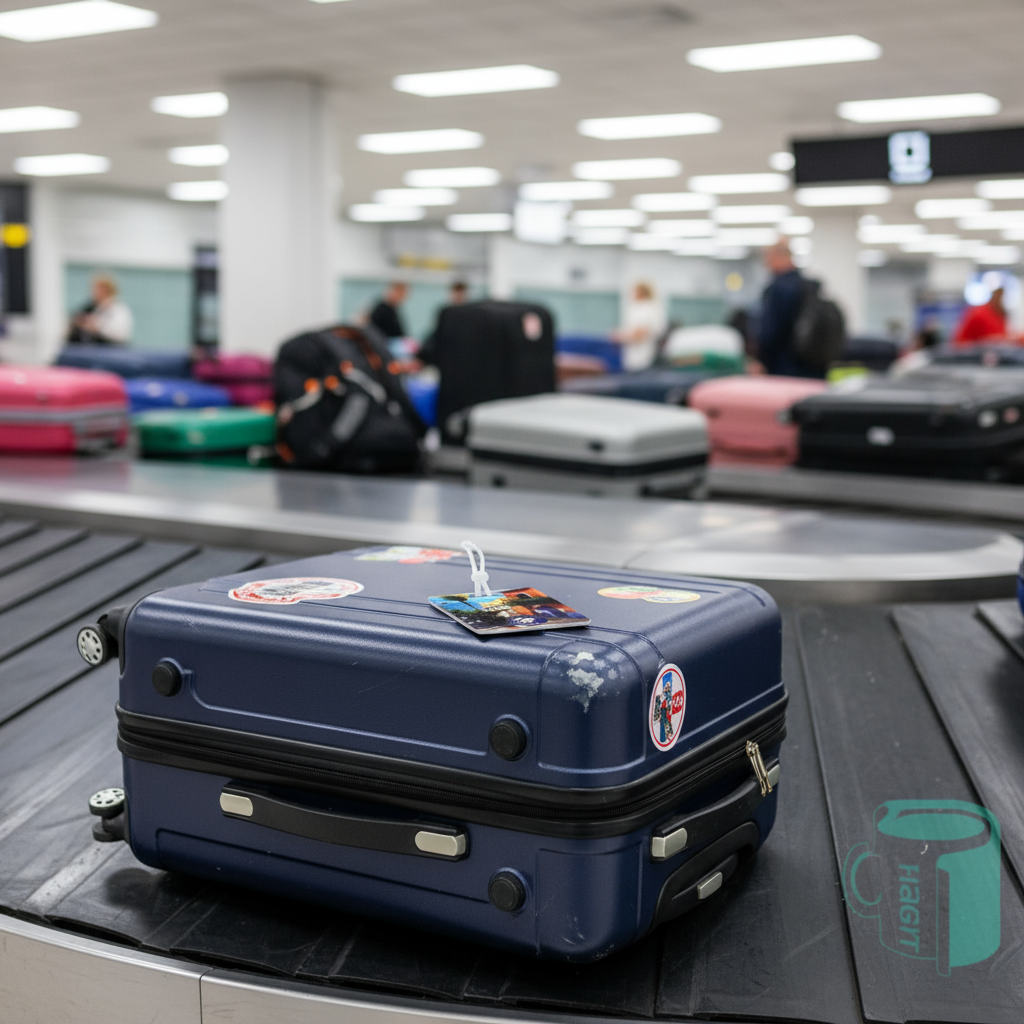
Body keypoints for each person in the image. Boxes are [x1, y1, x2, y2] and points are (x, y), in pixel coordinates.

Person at [757, 239, 819, 378]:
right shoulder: (808, 286)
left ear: (778, 256)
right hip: (811, 366)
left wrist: (761, 360)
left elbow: (769, 333)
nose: (766, 263)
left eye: (768, 257)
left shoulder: (778, 289)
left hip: (783, 366)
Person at [67, 275, 133, 345]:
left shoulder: (119, 309)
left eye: (97, 289)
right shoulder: (95, 308)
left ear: (106, 290)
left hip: (114, 349)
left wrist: (97, 327)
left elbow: (120, 334)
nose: (94, 293)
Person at [614, 282, 665, 371]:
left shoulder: (645, 309)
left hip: (641, 360)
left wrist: (620, 337)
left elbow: (640, 334)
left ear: (641, 292)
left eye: (634, 291)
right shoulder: (646, 308)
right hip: (637, 359)